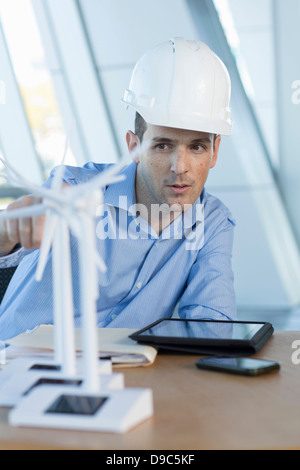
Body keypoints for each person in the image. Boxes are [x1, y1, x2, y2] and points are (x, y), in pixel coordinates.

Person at [0, 38, 236, 340]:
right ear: (134, 147)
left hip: (121, 378)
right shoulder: (72, 190)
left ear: (215, 152)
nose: (181, 166)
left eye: (197, 147)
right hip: (15, 366)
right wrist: (9, 231)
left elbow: (213, 331)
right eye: (162, 145)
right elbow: (11, 238)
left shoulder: (213, 221)